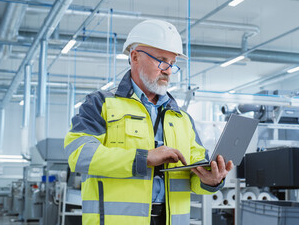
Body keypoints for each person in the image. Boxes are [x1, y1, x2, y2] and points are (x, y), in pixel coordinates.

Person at [64, 19, 233, 225]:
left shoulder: (182, 118)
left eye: (172, 63)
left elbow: (195, 176)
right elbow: (79, 155)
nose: (168, 70)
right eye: (161, 60)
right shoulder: (101, 103)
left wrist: (211, 180)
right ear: (135, 56)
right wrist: (144, 158)